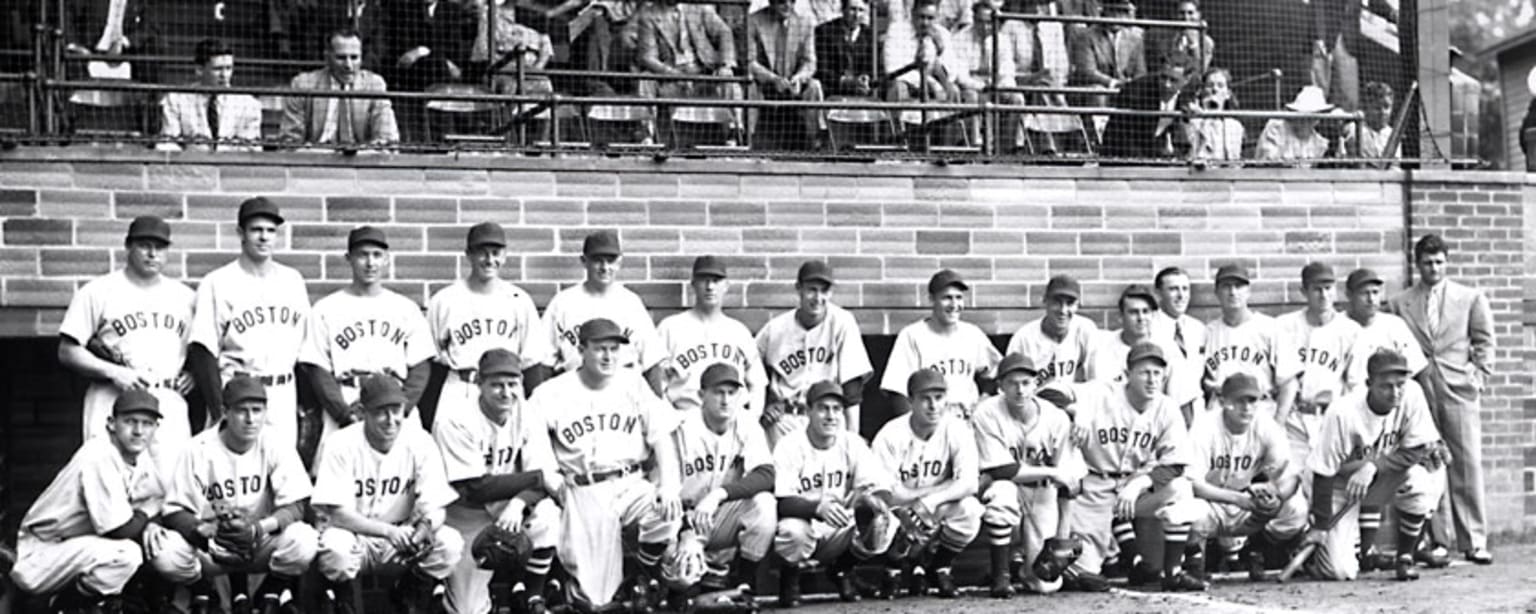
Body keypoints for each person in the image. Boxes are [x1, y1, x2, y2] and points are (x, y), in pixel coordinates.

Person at [526, 318, 683, 609]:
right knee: (596, 597)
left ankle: (640, 577)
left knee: (668, 513)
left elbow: (662, 437)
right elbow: (536, 446)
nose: (609, 356)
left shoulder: (633, 383)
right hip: (584, 487)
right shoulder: (551, 392)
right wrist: (553, 479)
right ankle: (575, 591)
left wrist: (669, 486)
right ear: (581, 349)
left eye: (614, 349)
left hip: (630, 483)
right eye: (600, 349)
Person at [152, 376, 318, 611]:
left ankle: (271, 589)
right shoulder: (196, 448)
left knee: (304, 539)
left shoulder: (275, 442)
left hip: (259, 538)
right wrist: (201, 529)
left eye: (257, 410)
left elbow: (297, 505)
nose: (250, 419)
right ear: (224, 411)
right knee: (165, 552)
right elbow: (174, 510)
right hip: (212, 545)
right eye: (241, 411)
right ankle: (201, 587)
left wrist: (259, 528)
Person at [1058, 342, 1206, 592]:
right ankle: (1108, 554)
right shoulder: (1100, 393)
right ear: (1127, 375)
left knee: (1180, 488)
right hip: (1095, 487)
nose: (1152, 380)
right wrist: (1077, 412)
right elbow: (1047, 392)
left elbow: (1177, 463)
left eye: (1157, 373)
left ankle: (1173, 573)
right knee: (1083, 571)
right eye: (1144, 372)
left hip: (1136, 487)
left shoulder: (1166, 407)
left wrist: (1139, 483)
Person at [8, 390, 173, 613]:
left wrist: (151, 520)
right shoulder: (99, 454)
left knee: (155, 543)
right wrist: (147, 513)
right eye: (130, 422)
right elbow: (120, 529)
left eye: (147, 424)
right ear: (111, 424)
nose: (138, 431)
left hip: (78, 549)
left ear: (155, 429)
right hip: (41, 554)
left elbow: (157, 500)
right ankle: (60, 607)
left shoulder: (138, 457)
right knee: (126, 554)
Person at [312, 375, 464, 613]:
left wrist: (422, 531)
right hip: (356, 537)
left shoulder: (420, 441)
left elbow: (437, 505)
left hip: (403, 537)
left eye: (397, 410)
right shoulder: (340, 443)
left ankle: (409, 592)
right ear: (363, 412)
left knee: (449, 542)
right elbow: (338, 515)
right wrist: (388, 532)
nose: (391, 420)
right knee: (336, 547)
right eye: (381, 412)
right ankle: (345, 601)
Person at [1387, 234, 1495, 565]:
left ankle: (1474, 540)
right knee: (1428, 462)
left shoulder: (1469, 297)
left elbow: (1484, 341)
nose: (1433, 268)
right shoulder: (1400, 302)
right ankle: (1438, 540)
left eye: (1439, 262)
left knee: (1466, 464)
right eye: (1427, 262)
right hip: (1420, 391)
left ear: (1446, 263)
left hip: (1458, 390)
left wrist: (1478, 375)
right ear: (1417, 265)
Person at [58, 215, 194, 476]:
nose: (153, 253)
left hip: (166, 397)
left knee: (171, 484)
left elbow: (203, 349)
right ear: (128, 246)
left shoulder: (185, 297)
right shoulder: (98, 291)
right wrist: (114, 372)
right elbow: (67, 351)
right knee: (107, 480)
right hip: (113, 396)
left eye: (161, 247)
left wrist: (194, 375)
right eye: (144, 245)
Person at [432, 349, 561, 614]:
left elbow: (546, 481)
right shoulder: (454, 419)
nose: (506, 392)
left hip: (507, 507)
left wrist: (518, 503)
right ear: (479, 383)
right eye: (496, 385)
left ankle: (531, 596)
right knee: (468, 610)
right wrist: (535, 478)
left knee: (547, 515)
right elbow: (474, 488)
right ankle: (441, 587)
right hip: (464, 515)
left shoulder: (527, 413)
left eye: (512, 384)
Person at [1301, 350, 1447, 581]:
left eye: (1400, 384)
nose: (1395, 392)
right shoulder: (1342, 412)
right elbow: (1323, 471)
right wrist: (1320, 525)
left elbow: (1416, 449)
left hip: (1379, 476)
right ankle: (1317, 550)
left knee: (1424, 479)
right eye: (1386, 386)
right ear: (1369, 384)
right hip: (1338, 484)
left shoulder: (1412, 395)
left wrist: (1373, 467)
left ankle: (1405, 558)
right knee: (1340, 572)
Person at [188, 197, 311, 451]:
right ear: (240, 233)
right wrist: (220, 407)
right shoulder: (218, 281)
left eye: (270, 231)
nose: (264, 237)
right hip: (237, 389)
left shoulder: (292, 280)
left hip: (282, 391)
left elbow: (305, 348)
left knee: (281, 472)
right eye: (256, 230)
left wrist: (306, 404)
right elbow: (203, 349)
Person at [297, 226, 435, 452]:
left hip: (395, 400)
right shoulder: (326, 309)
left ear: (387, 260)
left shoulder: (405, 308)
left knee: (404, 472)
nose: (370, 263)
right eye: (362, 255)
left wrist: (402, 408)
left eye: (377, 255)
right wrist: (343, 413)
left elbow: (420, 367)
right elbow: (318, 368)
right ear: (349, 259)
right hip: (348, 398)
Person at [771, 380, 894, 608]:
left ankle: (842, 570)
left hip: (839, 524)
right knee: (792, 531)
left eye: (837, 409)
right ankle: (790, 576)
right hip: (804, 524)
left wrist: (874, 501)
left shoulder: (852, 443)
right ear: (808, 411)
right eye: (823, 408)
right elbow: (779, 501)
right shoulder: (789, 445)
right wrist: (817, 507)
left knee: (885, 522)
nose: (831, 416)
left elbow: (882, 488)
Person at [664, 364, 777, 604]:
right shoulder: (679, 429)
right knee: (684, 579)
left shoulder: (745, 423)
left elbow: (767, 474)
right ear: (700, 395)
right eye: (718, 392)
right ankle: (680, 589)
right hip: (681, 521)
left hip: (719, 514)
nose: (726, 400)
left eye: (731, 392)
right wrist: (684, 532)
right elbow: (661, 491)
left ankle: (745, 583)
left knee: (764, 504)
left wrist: (719, 494)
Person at [972, 353, 1082, 597]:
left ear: (1035, 385)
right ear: (1000, 386)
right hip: (1001, 486)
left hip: (1042, 493)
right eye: (1012, 383)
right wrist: (1053, 471)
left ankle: (1020, 567)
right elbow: (1002, 470)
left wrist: (1062, 537)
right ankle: (1001, 575)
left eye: (1025, 383)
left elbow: (1070, 483)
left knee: (1045, 584)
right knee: (1003, 494)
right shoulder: (986, 413)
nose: (1020, 390)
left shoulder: (1057, 418)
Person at [426, 222, 553, 430]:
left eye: (496, 253)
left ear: (504, 256)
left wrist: (535, 412)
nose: (489, 260)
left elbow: (531, 363)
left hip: (507, 392)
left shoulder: (518, 300)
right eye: (482, 253)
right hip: (462, 386)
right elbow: (433, 363)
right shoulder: (445, 300)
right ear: (469, 255)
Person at [869, 370, 982, 599]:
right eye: (925, 398)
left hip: (936, 508)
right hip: (898, 511)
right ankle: (893, 568)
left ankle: (939, 566)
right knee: (879, 517)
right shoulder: (889, 434)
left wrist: (929, 502)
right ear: (910, 401)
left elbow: (970, 483)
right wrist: (935, 493)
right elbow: (886, 494)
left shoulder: (957, 429)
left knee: (969, 510)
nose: (933, 406)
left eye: (939, 398)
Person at [1185, 374, 1307, 581]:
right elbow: (1191, 484)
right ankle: (1193, 566)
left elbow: (1292, 476)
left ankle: (1257, 546)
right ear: (1223, 402)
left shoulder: (1266, 426)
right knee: (1186, 509)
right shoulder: (1204, 427)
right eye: (1239, 401)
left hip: (1249, 504)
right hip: (1212, 503)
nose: (1247, 407)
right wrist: (1237, 499)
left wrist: (1274, 491)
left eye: (1252, 401)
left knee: (1295, 509)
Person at [756, 260, 873, 447]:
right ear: (798, 289)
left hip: (829, 420)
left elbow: (852, 389)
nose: (818, 297)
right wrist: (764, 406)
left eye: (824, 291)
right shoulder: (775, 329)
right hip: (785, 421)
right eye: (811, 289)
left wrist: (853, 440)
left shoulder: (842, 322)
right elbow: (751, 373)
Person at [541, 230, 666, 393]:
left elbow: (651, 362)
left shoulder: (631, 303)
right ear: (584, 261)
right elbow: (543, 361)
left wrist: (657, 407)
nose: (605, 267)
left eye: (611, 260)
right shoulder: (563, 303)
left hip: (624, 392)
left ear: (619, 262)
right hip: (574, 392)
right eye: (597, 260)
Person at [1274, 263, 1360, 477]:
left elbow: (1356, 386)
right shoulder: (1284, 326)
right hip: (1294, 419)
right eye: (1316, 289)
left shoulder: (1350, 330)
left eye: (1328, 288)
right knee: (1289, 486)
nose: (1324, 295)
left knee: (1326, 488)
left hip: (1330, 418)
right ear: (1304, 292)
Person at [880, 269, 1001, 418]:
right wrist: (914, 428)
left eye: (959, 298)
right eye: (947, 298)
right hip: (931, 421)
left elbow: (997, 375)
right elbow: (897, 391)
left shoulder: (972, 334)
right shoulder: (912, 335)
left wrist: (984, 400)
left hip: (967, 420)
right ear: (931, 299)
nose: (954, 304)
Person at [657, 256, 767, 414]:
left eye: (716, 280)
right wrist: (670, 422)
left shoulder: (739, 332)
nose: (710, 287)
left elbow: (757, 384)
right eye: (703, 280)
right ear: (693, 285)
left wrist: (750, 420)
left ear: (726, 286)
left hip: (731, 423)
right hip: (686, 418)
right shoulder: (670, 328)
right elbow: (655, 386)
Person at [1202, 264, 1301, 427]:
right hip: (1219, 411)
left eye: (1238, 286)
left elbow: (1289, 383)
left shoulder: (1270, 328)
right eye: (1226, 286)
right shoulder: (1207, 332)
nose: (1233, 292)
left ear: (1248, 291)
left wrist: (1277, 424)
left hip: (1259, 410)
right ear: (1217, 293)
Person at [634, 0, 743, 143]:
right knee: (646, 79)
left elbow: (724, 32)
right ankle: (646, 133)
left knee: (728, 77)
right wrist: (675, 75)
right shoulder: (648, 16)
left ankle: (735, 132)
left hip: (704, 75)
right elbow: (648, 57)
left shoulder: (700, 7)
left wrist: (725, 64)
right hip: (670, 79)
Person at [279, 29, 401, 147]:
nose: (348, 65)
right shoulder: (303, 84)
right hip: (316, 158)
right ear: (327, 57)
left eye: (354, 58)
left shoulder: (374, 85)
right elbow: (290, 141)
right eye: (341, 58)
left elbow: (387, 139)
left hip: (360, 159)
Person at [382, 0, 477, 141]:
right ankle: (445, 134)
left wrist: (422, 51)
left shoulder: (452, 11)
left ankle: (445, 134)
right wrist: (428, 53)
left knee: (438, 65)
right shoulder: (402, 9)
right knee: (436, 64)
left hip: (445, 74)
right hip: (413, 75)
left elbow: (457, 50)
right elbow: (402, 54)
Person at [747, 0, 827, 149]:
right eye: (782, 2)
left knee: (814, 86)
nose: (788, 6)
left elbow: (810, 62)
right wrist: (772, 79)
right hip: (765, 83)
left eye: (792, 1)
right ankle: (747, 140)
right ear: (771, 2)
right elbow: (750, 62)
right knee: (749, 86)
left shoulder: (805, 22)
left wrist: (799, 77)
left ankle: (815, 140)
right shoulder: (753, 21)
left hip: (793, 83)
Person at [158, 38, 262, 151]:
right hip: (191, 165)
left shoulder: (249, 104)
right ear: (199, 70)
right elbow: (167, 143)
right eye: (217, 69)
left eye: (228, 68)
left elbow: (251, 149)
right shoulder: (176, 99)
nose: (224, 75)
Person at [1005, 0, 1080, 155]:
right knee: (1042, 90)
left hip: (1046, 83)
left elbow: (1061, 65)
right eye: (1035, 4)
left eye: (1043, 5)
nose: (1039, 9)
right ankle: (1052, 145)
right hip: (1018, 81)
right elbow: (1006, 67)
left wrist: (1054, 83)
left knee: (1044, 89)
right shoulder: (1010, 25)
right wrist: (1031, 78)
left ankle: (1037, 144)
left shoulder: (1054, 26)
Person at [946, 0, 1023, 147]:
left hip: (995, 86)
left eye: (989, 22)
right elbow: (961, 75)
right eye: (980, 22)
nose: (985, 27)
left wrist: (1000, 87)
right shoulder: (959, 39)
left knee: (1016, 98)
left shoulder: (1002, 40)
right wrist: (981, 86)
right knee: (971, 96)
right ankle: (973, 147)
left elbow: (1007, 70)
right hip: (972, 87)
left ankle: (1005, 149)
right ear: (974, 19)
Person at [1344, 268, 1428, 393]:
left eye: (1375, 292)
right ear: (1349, 295)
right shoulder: (1336, 327)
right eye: (1364, 293)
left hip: (1387, 400)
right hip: (1348, 400)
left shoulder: (1394, 325)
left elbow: (1416, 368)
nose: (1371, 299)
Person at [1005, 274, 1096, 390]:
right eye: (1057, 302)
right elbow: (1010, 388)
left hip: (1075, 402)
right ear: (1045, 301)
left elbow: (1096, 383)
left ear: (1077, 305)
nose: (1063, 310)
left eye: (1070, 303)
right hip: (1036, 403)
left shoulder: (1085, 330)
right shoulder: (1024, 338)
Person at [1083, 284, 1182, 390]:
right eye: (1134, 312)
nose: (1141, 318)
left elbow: (1181, 398)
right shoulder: (1103, 348)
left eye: (1146, 311)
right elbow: (1097, 396)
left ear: (1153, 315)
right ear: (1121, 317)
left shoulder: (1168, 348)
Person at [1150, 267, 1205, 425]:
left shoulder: (1198, 329)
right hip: (1161, 414)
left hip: (1197, 415)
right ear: (1158, 293)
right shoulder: (1149, 328)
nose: (1181, 296)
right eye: (1173, 289)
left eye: (1185, 289)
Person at [1099, 63, 1187, 159]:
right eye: (1163, 77)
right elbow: (1126, 133)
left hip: (1152, 147)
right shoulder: (1136, 92)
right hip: (1119, 149)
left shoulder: (1189, 92)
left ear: (1185, 81)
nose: (1166, 84)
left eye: (1173, 80)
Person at [1068, 0, 1145, 110]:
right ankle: (1098, 127)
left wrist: (1131, 84)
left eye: (1121, 13)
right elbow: (1087, 71)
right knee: (1098, 93)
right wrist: (1113, 83)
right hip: (1097, 86)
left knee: (1139, 94)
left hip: (1125, 86)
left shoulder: (1135, 38)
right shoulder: (1087, 36)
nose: (1116, 17)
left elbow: (1140, 71)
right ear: (1104, 13)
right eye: (1112, 12)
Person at [883, 0, 955, 105]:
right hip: (906, 84)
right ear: (912, 14)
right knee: (899, 88)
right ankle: (898, 122)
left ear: (936, 17)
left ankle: (946, 121)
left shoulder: (943, 34)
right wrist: (928, 82)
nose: (925, 23)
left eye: (930, 18)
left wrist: (939, 52)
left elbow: (952, 73)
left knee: (954, 90)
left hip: (934, 86)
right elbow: (892, 69)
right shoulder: (896, 31)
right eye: (921, 17)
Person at [813, 0, 878, 98]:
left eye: (861, 10)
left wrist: (866, 80)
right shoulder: (825, 32)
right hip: (831, 93)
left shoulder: (870, 36)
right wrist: (846, 82)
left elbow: (876, 69)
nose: (856, 15)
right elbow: (822, 69)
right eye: (853, 9)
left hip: (862, 94)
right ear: (843, 10)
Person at [1257, 85, 1332, 163]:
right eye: (1302, 116)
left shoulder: (1319, 144)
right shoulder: (1275, 129)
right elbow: (1267, 162)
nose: (1305, 122)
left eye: (1311, 118)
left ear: (1317, 120)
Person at [1187, 67, 1243, 161]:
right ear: (1201, 90)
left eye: (1220, 85)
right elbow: (1192, 154)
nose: (1215, 89)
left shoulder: (1235, 127)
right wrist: (1204, 116)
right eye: (1210, 85)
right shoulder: (1191, 122)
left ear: (1228, 94)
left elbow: (1235, 159)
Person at [1158, 0, 1212, 78]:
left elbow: (1202, 70)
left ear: (1198, 15)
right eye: (1182, 13)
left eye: (1190, 13)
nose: (1186, 17)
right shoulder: (1165, 41)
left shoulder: (1207, 42)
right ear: (1175, 15)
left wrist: (1193, 44)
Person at [1348, 81, 1399, 159]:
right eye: (1377, 108)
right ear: (1366, 107)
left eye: (1386, 107)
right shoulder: (1355, 130)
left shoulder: (1393, 134)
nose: (1383, 113)